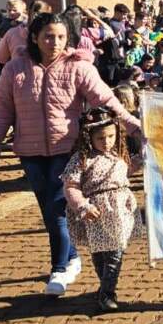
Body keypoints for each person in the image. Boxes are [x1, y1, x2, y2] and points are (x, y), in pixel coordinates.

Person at [0, 12, 141, 297]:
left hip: (67, 149)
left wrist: (134, 126)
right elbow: (1, 108)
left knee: (57, 207)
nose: (54, 42)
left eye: (61, 37)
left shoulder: (78, 67)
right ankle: (71, 258)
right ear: (34, 37)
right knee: (48, 208)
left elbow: (105, 99)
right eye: (48, 36)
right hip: (29, 151)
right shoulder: (14, 69)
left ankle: (59, 268)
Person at [62, 107, 137, 311]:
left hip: (120, 211)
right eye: (101, 138)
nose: (107, 142)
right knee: (99, 253)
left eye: (111, 136)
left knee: (115, 252)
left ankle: (107, 292)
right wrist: (82, 205)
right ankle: (104, 286)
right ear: (89, 138)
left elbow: (125, 171)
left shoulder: (118, 153)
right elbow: (70, 186)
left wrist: (140, 163)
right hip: (96, 211)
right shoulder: (81, 158)